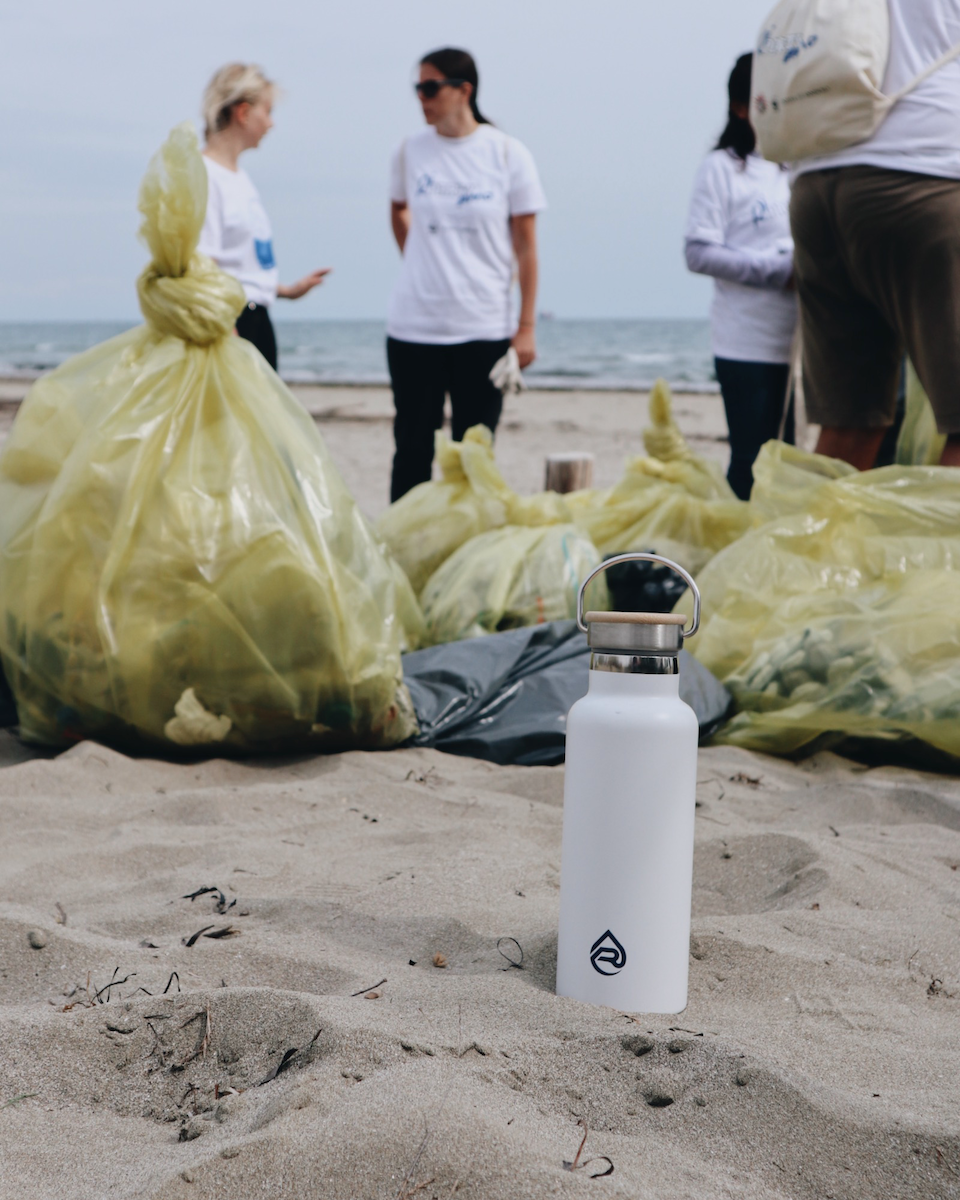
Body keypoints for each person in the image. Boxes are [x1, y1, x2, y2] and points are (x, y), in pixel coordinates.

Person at [789, 0, 960, 470]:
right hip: (924, 175)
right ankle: (938, 548)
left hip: (818, 180)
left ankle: (803, 544)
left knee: (850, 425)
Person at [387, 47, 547, 501]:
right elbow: (397, 210)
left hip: (484, 328)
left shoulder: (507, 153)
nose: (422, 97)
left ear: (464, 91)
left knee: (474, 456)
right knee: (412, 450)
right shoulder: (409, 151)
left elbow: (527, 247)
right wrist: (421, 258)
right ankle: (405, 557)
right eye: (418, 88)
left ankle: (467, 559)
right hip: (414, 327)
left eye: (430, 87)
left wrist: (527, 326)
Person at [684, 52, 797, 501]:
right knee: (751, 460)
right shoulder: (722, 169)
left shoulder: (799, 167)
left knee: (790, 464)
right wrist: (777, 271)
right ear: (741, 106)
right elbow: (698, 252)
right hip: (746, 342)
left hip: (802, 343)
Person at [198, 63, 330, 371]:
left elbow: (240, 267)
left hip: (255, 320)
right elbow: (204, 268)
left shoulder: (239, 177)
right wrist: (226, 337)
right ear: (242, 113)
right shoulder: (206, 175)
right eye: (267, 112)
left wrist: (286, 290)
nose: (271, 124)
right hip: (232, 326)